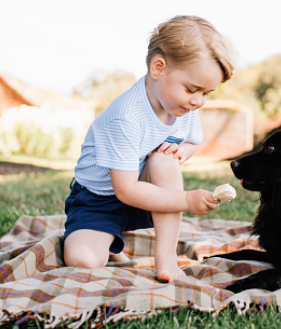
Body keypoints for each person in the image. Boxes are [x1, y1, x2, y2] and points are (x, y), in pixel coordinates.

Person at [62, 15, 234, 283]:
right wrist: (187, 200)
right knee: (83, 261)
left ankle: (165, 258)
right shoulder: (126, 117)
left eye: (207, 93)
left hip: (148, 191)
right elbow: (125, 190)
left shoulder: (183, 105)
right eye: (192, 89)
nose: (199, 101)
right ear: (158, 68)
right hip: (99, 199)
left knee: (164, 162)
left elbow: (190, 142)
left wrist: (181, 154)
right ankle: (106, 240)